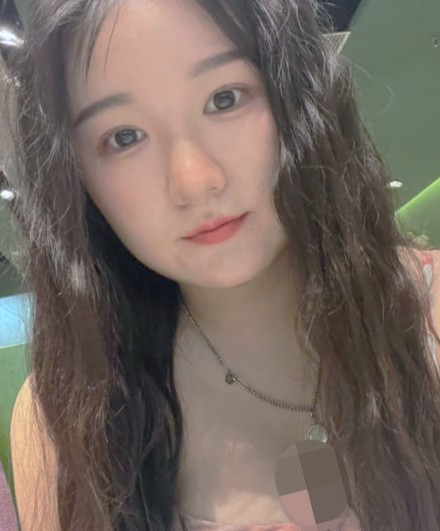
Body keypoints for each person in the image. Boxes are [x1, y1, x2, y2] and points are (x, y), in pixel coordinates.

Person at [3, 0, 440, 530]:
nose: (195, 180)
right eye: (124, 137)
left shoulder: (428, 314)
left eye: (224, 99)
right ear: (77, 180)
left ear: (297, 95)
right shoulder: (67, 420)